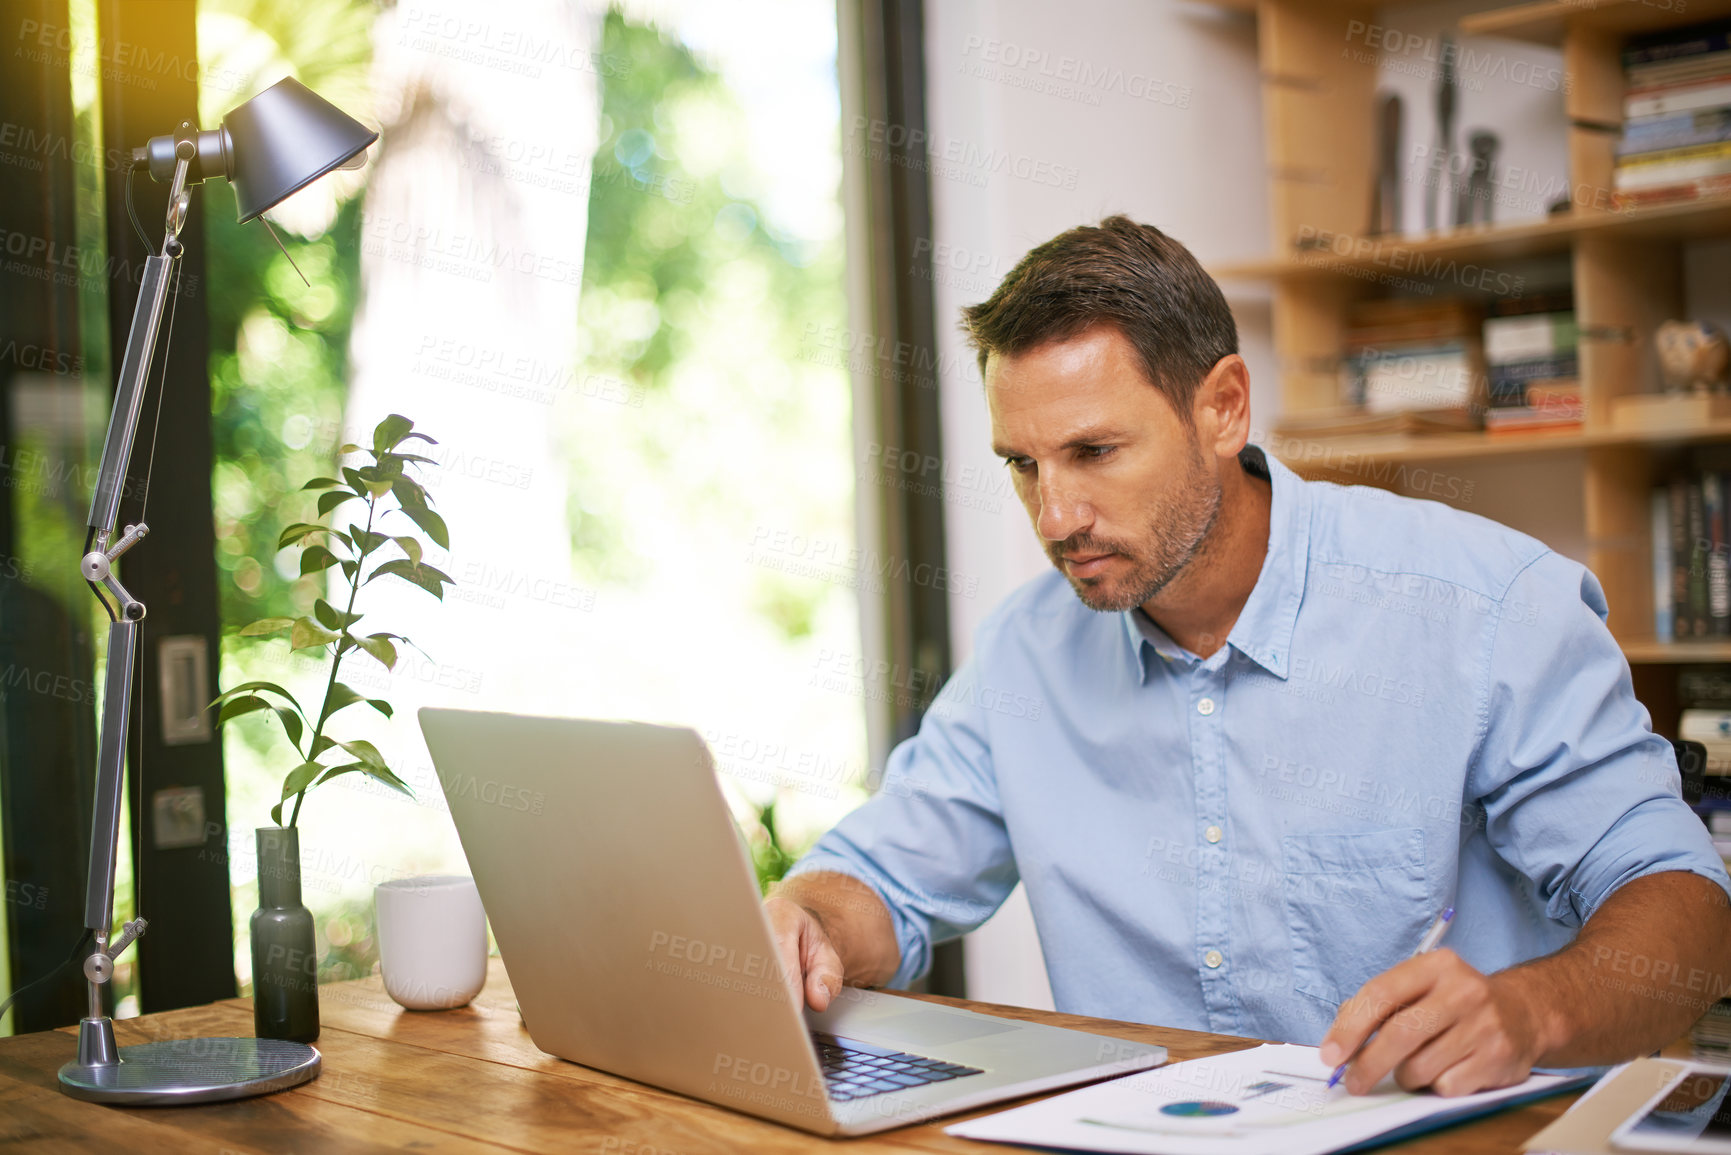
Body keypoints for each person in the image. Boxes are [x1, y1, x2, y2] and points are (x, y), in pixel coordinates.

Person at [764, 215, 1731, 1097]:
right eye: (1023, 465)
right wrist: (803, 916)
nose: (1055, 517)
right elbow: (881, 884)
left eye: (1094, 451)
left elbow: (1686, 909)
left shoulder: (1483, 607)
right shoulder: (1026, 653)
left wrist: (1530, 1009)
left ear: (1223, 407)